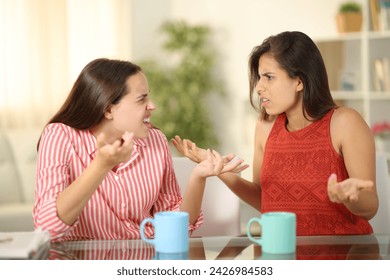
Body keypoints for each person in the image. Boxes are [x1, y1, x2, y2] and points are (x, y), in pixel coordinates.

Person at [172, 31, 379, 235]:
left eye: (269, 77)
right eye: (260, 77)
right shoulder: (265, 127)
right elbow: (265, 199)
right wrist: (219, 170)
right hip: (281, 255)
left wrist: (351, 197)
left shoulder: (345, 123)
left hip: (342, 258)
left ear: (299, 81)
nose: (259, 87)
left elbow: (370, 208)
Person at [33, 58, 244, 241]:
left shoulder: (156, 140)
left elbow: (175, 229)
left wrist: (197, 177)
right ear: (108, 109)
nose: (152, 105)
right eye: (141, 98)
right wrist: (101, 165)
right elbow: (48, 228)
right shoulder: (60, 136)